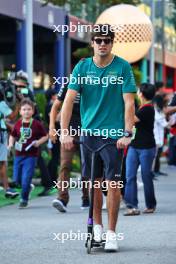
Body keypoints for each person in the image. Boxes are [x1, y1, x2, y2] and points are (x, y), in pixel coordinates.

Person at [59, 24, 136, 251]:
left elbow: (129, 102)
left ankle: (112, 233)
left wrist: (127, 133)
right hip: (89, 134)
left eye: (107, 40)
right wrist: (65, 131)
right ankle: (98, 228)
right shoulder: (82, 67)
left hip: (113, 135)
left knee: (112, 184)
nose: (103, 44)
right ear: (92, 43)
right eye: (99, 40)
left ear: (112, 43)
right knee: (93, 183)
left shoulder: (122, 67)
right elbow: (67, 101)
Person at [49, 85, 89, 212]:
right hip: (68, 131)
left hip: (88, 131)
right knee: (65, 164)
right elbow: (55, 107)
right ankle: (62, 199)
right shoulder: (68, 84)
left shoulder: (95, 82)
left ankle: (86, 198)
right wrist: (52, 129)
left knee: (86, 166)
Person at [8, 99, 48, 208]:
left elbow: (45, 135)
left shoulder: (36, 124)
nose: (26, 112)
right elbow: (12, 135)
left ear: (33, 111)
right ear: (20, 111)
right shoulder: (18, 124)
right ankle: (27, 188)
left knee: (26, 179)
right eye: (24, 109)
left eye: (29, 109)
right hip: (18, 155)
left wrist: (38, 142)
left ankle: (24, 199)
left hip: (31, 156)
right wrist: (10, 144)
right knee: (16, 179)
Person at [124, 83, 157, 216]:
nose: (136, 93)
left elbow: (130, 120)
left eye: (138, 91)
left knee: (146, 176)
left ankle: (150, 205)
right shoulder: (141, 107)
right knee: (130, 176)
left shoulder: (148, 109)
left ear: (141, 94)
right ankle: (132, 206)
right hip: (134, 146)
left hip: (147, 148)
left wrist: (128, 104)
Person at [0, 86, 19, 198]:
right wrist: (18, 103)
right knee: (2, 162)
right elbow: (12, 116)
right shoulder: (1, 104)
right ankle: (7, 189)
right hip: (1, 135)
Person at [153, 95, 168, 176]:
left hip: (159, 137)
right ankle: (153, 171)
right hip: (156, 137)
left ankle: (156, 170)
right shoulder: (155, 111)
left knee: (157, 155)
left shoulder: (158, 111)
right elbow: (164, 123)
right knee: (155, 156)